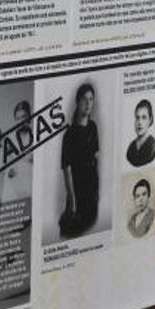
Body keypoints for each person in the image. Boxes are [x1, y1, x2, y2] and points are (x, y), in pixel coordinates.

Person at [59, 82, 99, 238]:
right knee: (73, 232)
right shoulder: (69, 135)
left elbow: (96, 159)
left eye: (91, 99)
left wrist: (96, 189)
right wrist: (72, 199)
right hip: (77, 191)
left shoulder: (93, 127)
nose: (88, 103)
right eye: (84, 99)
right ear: (78, 102)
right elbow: (66, 170)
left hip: (91, 190)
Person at [125, 99, 155, 168]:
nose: (140, 122)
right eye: (137, 117)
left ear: (150, 120)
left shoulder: (153, 146)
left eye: (144, 117)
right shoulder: (131, 147)